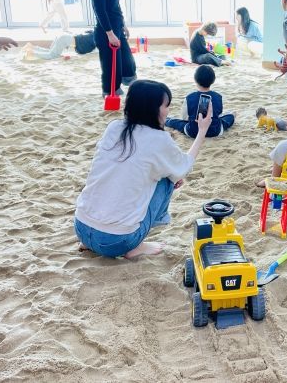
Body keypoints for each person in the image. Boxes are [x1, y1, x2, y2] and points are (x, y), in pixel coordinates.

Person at [74, 80, 212, 259]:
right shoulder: (159, 139)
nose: (168, 111)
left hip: (81, 227)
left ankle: (89, 243)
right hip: (117, 241)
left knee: (142, 172)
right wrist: (202, 131)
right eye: (166, 106)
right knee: (169, 178)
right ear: (153, 109)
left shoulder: (114, 127)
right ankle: (136, 246)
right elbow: (183, 167)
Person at [90, 0, 136, 97]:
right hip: (106, 31)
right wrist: (110, 34)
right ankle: (110, 94)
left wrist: (123, 25)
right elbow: (100, 11)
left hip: (117, 27)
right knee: (111, 67)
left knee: (128, 63)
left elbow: (116, 5)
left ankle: (126, 85)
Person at [165, 65, 235, 138]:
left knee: (175, 122)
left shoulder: (189, 97)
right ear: (213, 80)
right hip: (215, 131)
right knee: (229, 117)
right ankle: (232, 115)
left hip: (193, 132)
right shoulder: (218, 97)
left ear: (195, 79)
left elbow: (184, 118)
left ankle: (166, 120)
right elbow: (219, 114)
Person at [22, 30, 96, 60]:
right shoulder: (95, 39)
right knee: (52, 55)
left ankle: (31, 47)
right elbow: (82, 50)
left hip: (63, 36)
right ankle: (31, 53)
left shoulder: (92, 33)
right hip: (64, 39)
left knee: (50, 51)